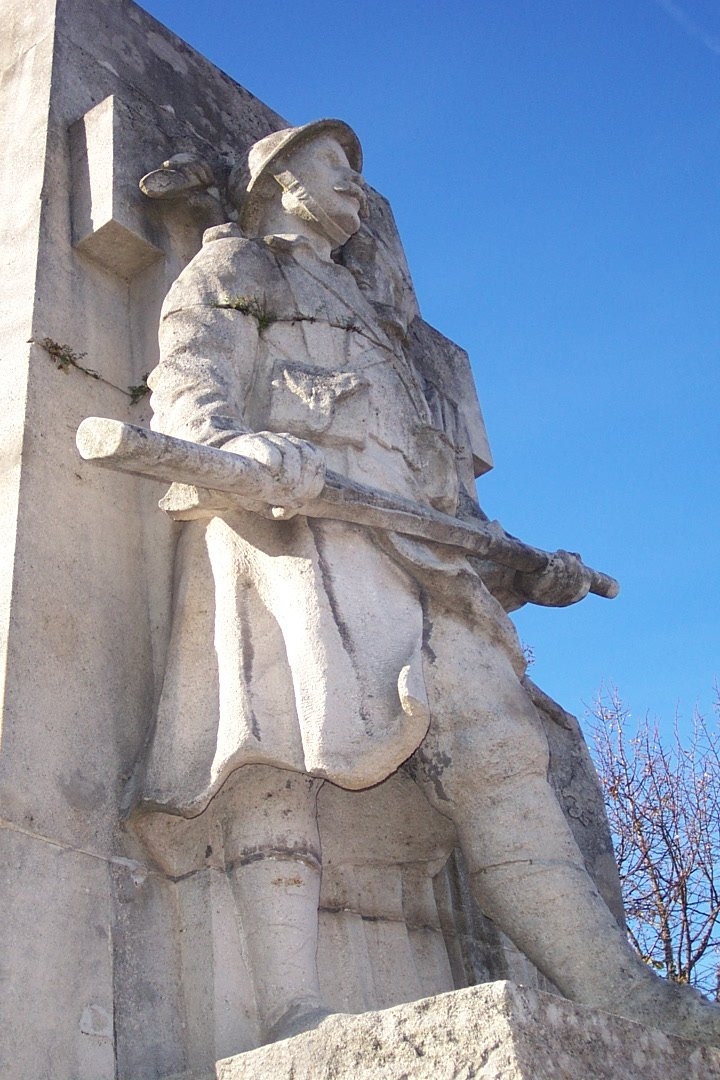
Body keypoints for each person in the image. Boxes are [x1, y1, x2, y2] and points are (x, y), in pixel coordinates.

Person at [136, 119, 720, 1046]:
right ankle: (288, 1004)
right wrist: (233, 443)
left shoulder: (387, 333)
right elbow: (191, 376)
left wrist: (520, 566)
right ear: (279, 180)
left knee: (498, 751)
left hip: (424, 559)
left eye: (357, 177)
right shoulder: (240, 268)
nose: (354, 189)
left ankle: (614, 986)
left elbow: (436, 480)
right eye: (333, 170)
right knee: (280, 744)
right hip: (298, 528)